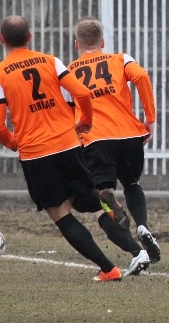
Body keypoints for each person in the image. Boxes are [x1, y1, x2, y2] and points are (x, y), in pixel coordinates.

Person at [0, 14, 130, 282]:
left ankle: (108, 268)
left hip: (35, 152)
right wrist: (85, 121)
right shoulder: (50, 61)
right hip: (67, 142)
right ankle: (103, 199)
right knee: (80, 197)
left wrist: (14, 142)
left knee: (59, 212)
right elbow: (83, 94)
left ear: (1, 39)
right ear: (30, 38)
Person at [67, 16, 160, 278]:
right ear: (102, 42)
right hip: (130, 135)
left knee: (102, 200)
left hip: (96, 139)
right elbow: (141, 76)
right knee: (132, 184)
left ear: (77, 44)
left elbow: (65, 109)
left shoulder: (70, 70)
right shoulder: (120, 59)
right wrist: (149, 118)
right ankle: (142, 226)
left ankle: (135, 252)